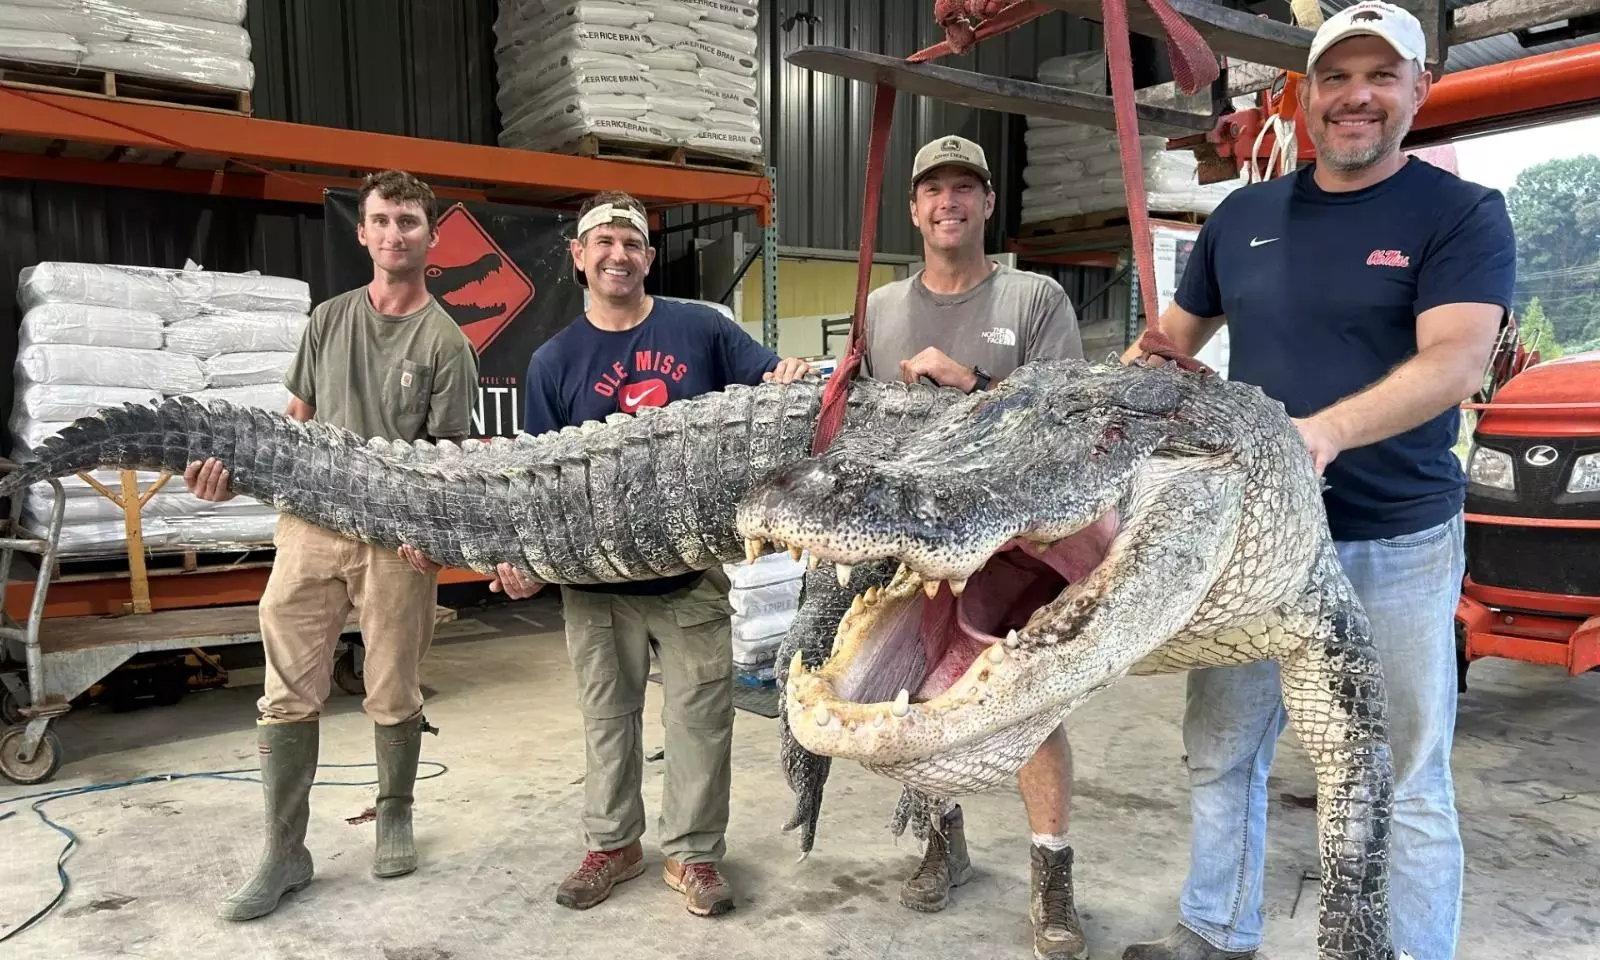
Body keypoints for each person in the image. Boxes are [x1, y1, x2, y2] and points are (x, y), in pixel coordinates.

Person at [1118, 4, 1514, 959]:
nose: (1357, 98)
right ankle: (1218, 930)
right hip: (1251, 540)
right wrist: (1125, 391)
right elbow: (1168, 343)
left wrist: (1323, 433)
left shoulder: (1460, 214)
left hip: (1394, 540)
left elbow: (1458, 364)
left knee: (1402, 775)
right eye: (1337, 78)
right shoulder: (1243, 217)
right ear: (1305, 96)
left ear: (1418, 90)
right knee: (1222, 748)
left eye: (1382, 76)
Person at [490, 190, 813, 918]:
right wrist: (522, 562)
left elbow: (771, 381)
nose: (617, 254)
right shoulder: (553, 361)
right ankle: (614, 844)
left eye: (631, 242)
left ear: (648, 255)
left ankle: (695, 855)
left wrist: (789, 374)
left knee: (701, 720)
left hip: (688, 575)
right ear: (578, 257)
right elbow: (536, 483)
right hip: (596, 588)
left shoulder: (703, 329)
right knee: (608, 720)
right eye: (602, 241)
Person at [185, 169, 479, 921]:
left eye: (409, 221)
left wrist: (430, 539)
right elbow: (293, 422)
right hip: (311, 530)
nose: (394, 234)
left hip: (394, 542)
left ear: (431, 235)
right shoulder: (329, 319)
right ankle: (285, 852)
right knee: (286, 690)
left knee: (393, 689)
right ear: (362, 231)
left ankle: (396, 811)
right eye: (381, 220)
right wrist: (231, 475)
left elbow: (448, 462)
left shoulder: (446, 341)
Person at [862, 134, 1090, 960]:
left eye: (966, 188)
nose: (948, 202)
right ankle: (943, 842)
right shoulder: (883, 309)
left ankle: (1051, 877)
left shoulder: (1034, 301)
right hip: (920, 546)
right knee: (920, 698)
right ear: (914, 207)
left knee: (1031, 709)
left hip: (1017, 550)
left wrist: (976, 388)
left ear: (988, 204)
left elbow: (1068, 426)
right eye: (933, 190)